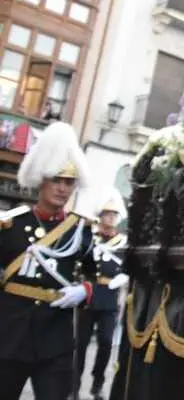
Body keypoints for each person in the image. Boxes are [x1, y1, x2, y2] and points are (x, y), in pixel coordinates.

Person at [0, 121, 98, 400]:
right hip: (10, 336)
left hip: (55, 339)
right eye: (57, 179)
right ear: (42, 180)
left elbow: (98, 277)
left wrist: (85, 290)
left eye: (69, 182)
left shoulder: (80, 231)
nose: (63, 188)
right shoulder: (11, 225)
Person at [75, 190, 128, 400]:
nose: (110, 218)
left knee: (106, 342)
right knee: (80, 343)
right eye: (107, 214)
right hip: (88, 294)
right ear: (100, 216)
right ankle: (74, 384)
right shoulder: (91, 238)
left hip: (109, 296)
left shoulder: (122, 243)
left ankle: (97, 384)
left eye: (113, 215)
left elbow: (128, 266)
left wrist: (123, 278)